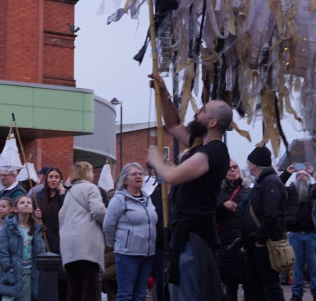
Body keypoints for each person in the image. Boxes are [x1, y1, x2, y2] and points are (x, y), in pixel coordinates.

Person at [146, 76, 231, 301]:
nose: (196, 113)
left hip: (194, 239)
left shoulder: (214, 152)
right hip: (183, 238)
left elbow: (172, 176)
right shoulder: (198, 145)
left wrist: (157, 161)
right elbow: (173, 124)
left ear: (212, 123)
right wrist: (164, 94)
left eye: (202, 111)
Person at [103, 162, 157, 301]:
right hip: (127, 254)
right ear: (125, 180)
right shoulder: (119, 199)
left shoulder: (147, 198)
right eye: (134, 174)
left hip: (147, 254)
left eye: (140, 174)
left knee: (140, 294)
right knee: (126, 294)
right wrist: (116, 243)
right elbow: (108, 225)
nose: (138, 176)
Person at [239, 146, 286, 301]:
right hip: (256, 242)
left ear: (255, 163)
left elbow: (271, 213)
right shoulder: (263, 182)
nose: (247, 165)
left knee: (270, 285)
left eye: (249, 161)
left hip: (265, 243)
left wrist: (260, 238)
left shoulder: (270, 182)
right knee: (257, 285)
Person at [58, 161, 106, 300]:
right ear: (87, 173)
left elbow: (61, 216)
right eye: (91, 171)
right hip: (87, 245)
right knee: (90, 288)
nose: (93, 175)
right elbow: (99, 211)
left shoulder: (70, 192)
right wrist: (111, 220)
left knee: (74, 288)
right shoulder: (91, 188)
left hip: (70, 247)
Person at [282, 164, 316, 301]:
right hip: (295, 235)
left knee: (314, 268)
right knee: (296, 267)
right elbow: (278, 186)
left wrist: (313, 171)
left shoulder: (314, 190)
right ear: (295, 178)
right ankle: (296, 295)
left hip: (311, 234)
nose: (302, 177)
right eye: (299, 175)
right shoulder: (291, 192)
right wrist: (287, 172)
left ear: (309, 178)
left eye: (305, 175)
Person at [0, 195, 45, 301]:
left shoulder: (36, 229)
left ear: (32, 208)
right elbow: (0, 249)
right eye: (22, 202)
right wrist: (8, 266)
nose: (26, 204)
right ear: (15, 209)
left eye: (29, 202)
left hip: (29, 272)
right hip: (12, 273)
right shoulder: (8, 227)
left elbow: (41, 250)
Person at [215, 160, 248, 301]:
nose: (233, 170)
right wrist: (223, 206)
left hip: (245, 243)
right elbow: (213, 216)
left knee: (250, 285)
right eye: (229, 168)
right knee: (230, 286)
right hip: (227, 244)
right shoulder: (218, 191)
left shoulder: (247, 189)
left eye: (235, 167)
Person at [32, 166, 67, 300]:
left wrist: (63, 194)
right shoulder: (39, 197)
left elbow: (68, 213)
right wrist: (35, 215)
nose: (53, 180)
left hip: (61, 241)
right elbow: (32, 221)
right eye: (51, 177)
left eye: (56, 177)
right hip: (45, 240)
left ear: (60, 180)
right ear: (46, 180)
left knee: (61, 278)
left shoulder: (65, 195)